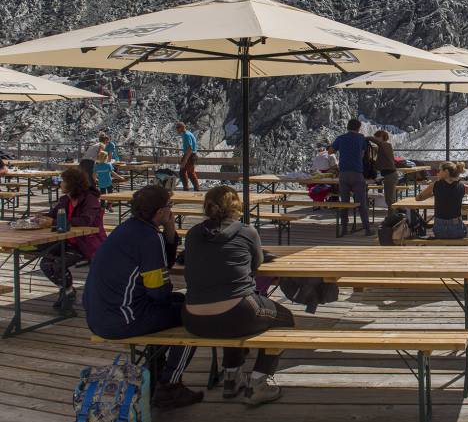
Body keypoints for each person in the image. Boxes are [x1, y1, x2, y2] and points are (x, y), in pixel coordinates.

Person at [82, 185, 203, 409]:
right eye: (170, 207)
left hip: (101, 313)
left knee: (179, 303)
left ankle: (155, 371)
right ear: (160, 211)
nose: (171, 211)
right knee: (194, 316)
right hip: (122, 319)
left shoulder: (129, 228)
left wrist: (169, 231)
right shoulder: (147, 237)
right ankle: (169, 386)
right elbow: (159, 292)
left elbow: (160, 266)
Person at [182, 185, 295, 406]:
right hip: (236, 313)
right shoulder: (247, 231)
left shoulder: (194, 233)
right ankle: (258, 383)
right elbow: (257, 264)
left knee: (231, 313)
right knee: (285, 320)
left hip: (193, 318)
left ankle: (232, 378)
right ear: (236, 207)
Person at [37, 166, 106, 313]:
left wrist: (53, 223)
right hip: (68, 242)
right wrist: (41, 218)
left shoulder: (90, 200)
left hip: (87, 243)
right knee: (46, 263)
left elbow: (85, 220)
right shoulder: (65, 200)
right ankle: (68, 290)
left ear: (72, 183)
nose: (60, 184)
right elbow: (53, 215)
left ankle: (68, 294)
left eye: (63, 181)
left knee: (58, 264)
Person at [415, 162, 468, 238]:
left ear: (446, 172)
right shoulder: (463, 187)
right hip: (456, 229)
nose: (438, 173)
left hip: (439, 230)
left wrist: (433, 193)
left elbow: (418, 198)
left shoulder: (435, 185)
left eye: (440, 171)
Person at [331, 118, 371, 236]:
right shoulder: (361, 138)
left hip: (343, 174)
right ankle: (367, 228)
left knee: (344, 201)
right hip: (357, 173)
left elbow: (331, 151)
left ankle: (344, 228)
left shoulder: (341, 138)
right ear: (358, 128)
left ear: (348, 127)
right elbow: (363, 153)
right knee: (361, 202)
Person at [367, 130, 399, 212]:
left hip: (390, 175)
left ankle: (392, 217)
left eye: (377, 136)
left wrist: (367, 138)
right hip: (389, 175)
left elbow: (379, 143)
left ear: (381, 137)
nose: (375, 138)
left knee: (389, 199)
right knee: (390, 198)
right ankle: (392, 216)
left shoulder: (386, 145)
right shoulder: (384, 147)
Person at [176, 122, 200, 192]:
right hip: (192, 155)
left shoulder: (186, 135)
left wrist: (184, 160)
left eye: (178, 128)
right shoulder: (188, 133)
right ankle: (196, 188)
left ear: (182, 127)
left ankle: (186, 189)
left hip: (189, 155)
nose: (177, 129)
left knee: (182, 171)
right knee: (190, 172)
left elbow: (189, 148)